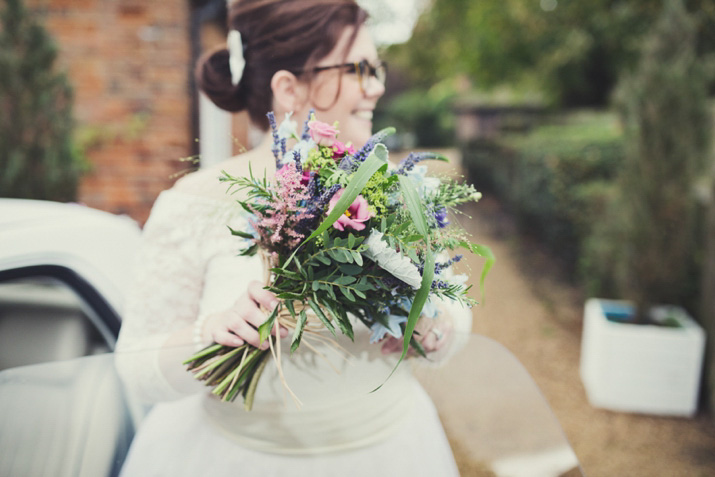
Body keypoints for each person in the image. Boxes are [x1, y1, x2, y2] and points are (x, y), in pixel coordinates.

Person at [115, 1, 471, 475]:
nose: (378, 85)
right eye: (360, 68)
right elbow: (136, 369)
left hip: (390, 453)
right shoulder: (192, 202)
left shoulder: (396, 189)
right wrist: (213, 334)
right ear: (289, 89)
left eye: (377, 67)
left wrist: (434, 326)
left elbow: (456, 306)